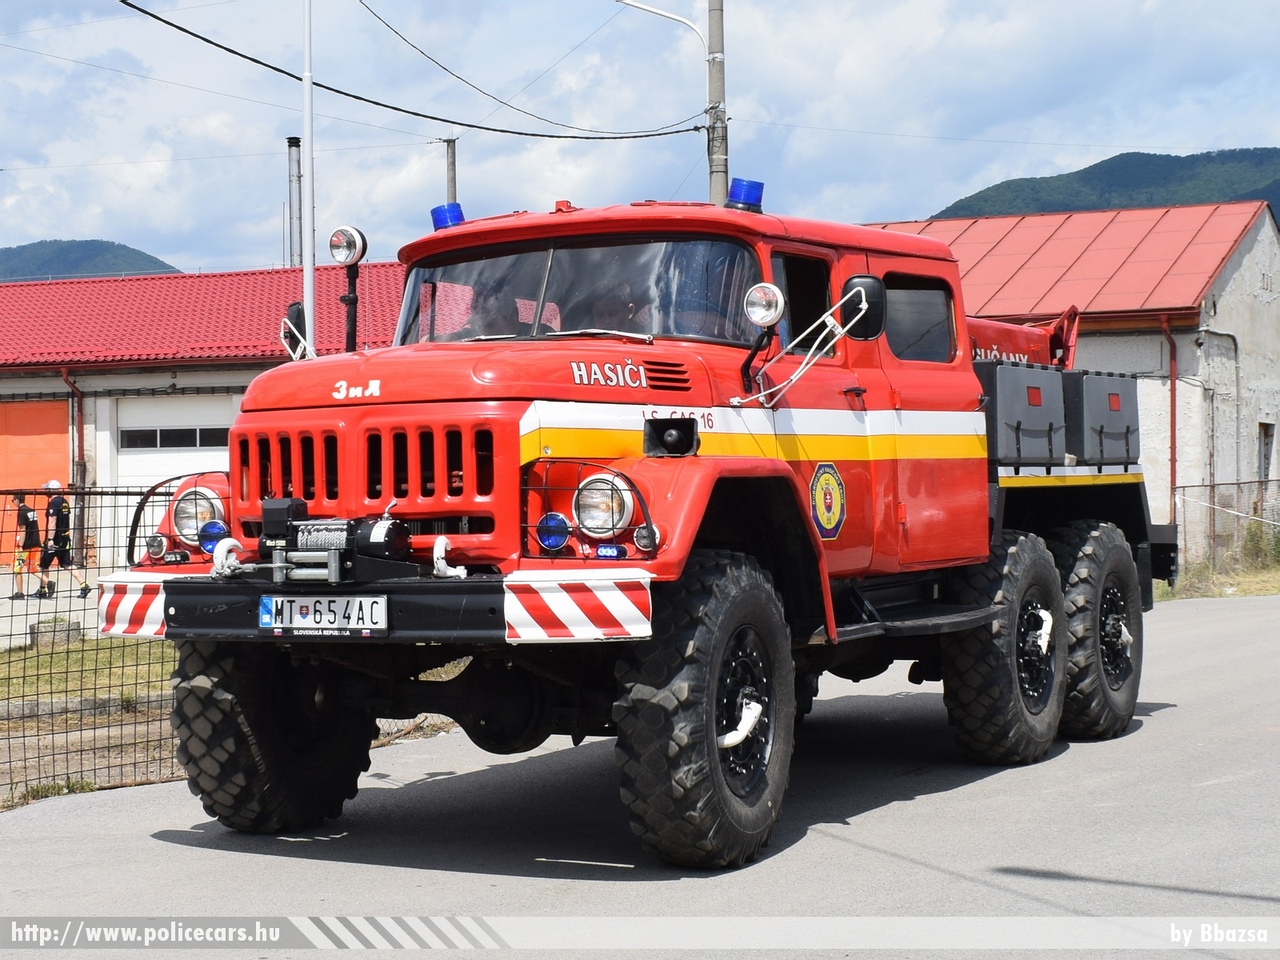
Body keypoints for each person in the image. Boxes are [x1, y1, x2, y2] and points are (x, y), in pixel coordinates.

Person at [37, 480, 91, 600]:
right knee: (67, 563)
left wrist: (50, 539)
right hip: (65, 538)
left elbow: (52, 521)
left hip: (55, 540)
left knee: (44, 564)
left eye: (47, 489)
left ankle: (42, 589)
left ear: (51, 490)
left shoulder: (54, 503)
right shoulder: (64, 502)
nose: (46, 491)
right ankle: (84, 584)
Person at [10, 493, 41, 600]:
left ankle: (20, 593)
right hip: (35, 543)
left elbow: (23, 530)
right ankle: (48, 582)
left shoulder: (21, 512)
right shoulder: (32, 510)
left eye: (12, 500)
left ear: (16, 500)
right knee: (32, 568)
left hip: (25, 546)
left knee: (17, 568)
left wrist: (20, 546)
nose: (12, 502)